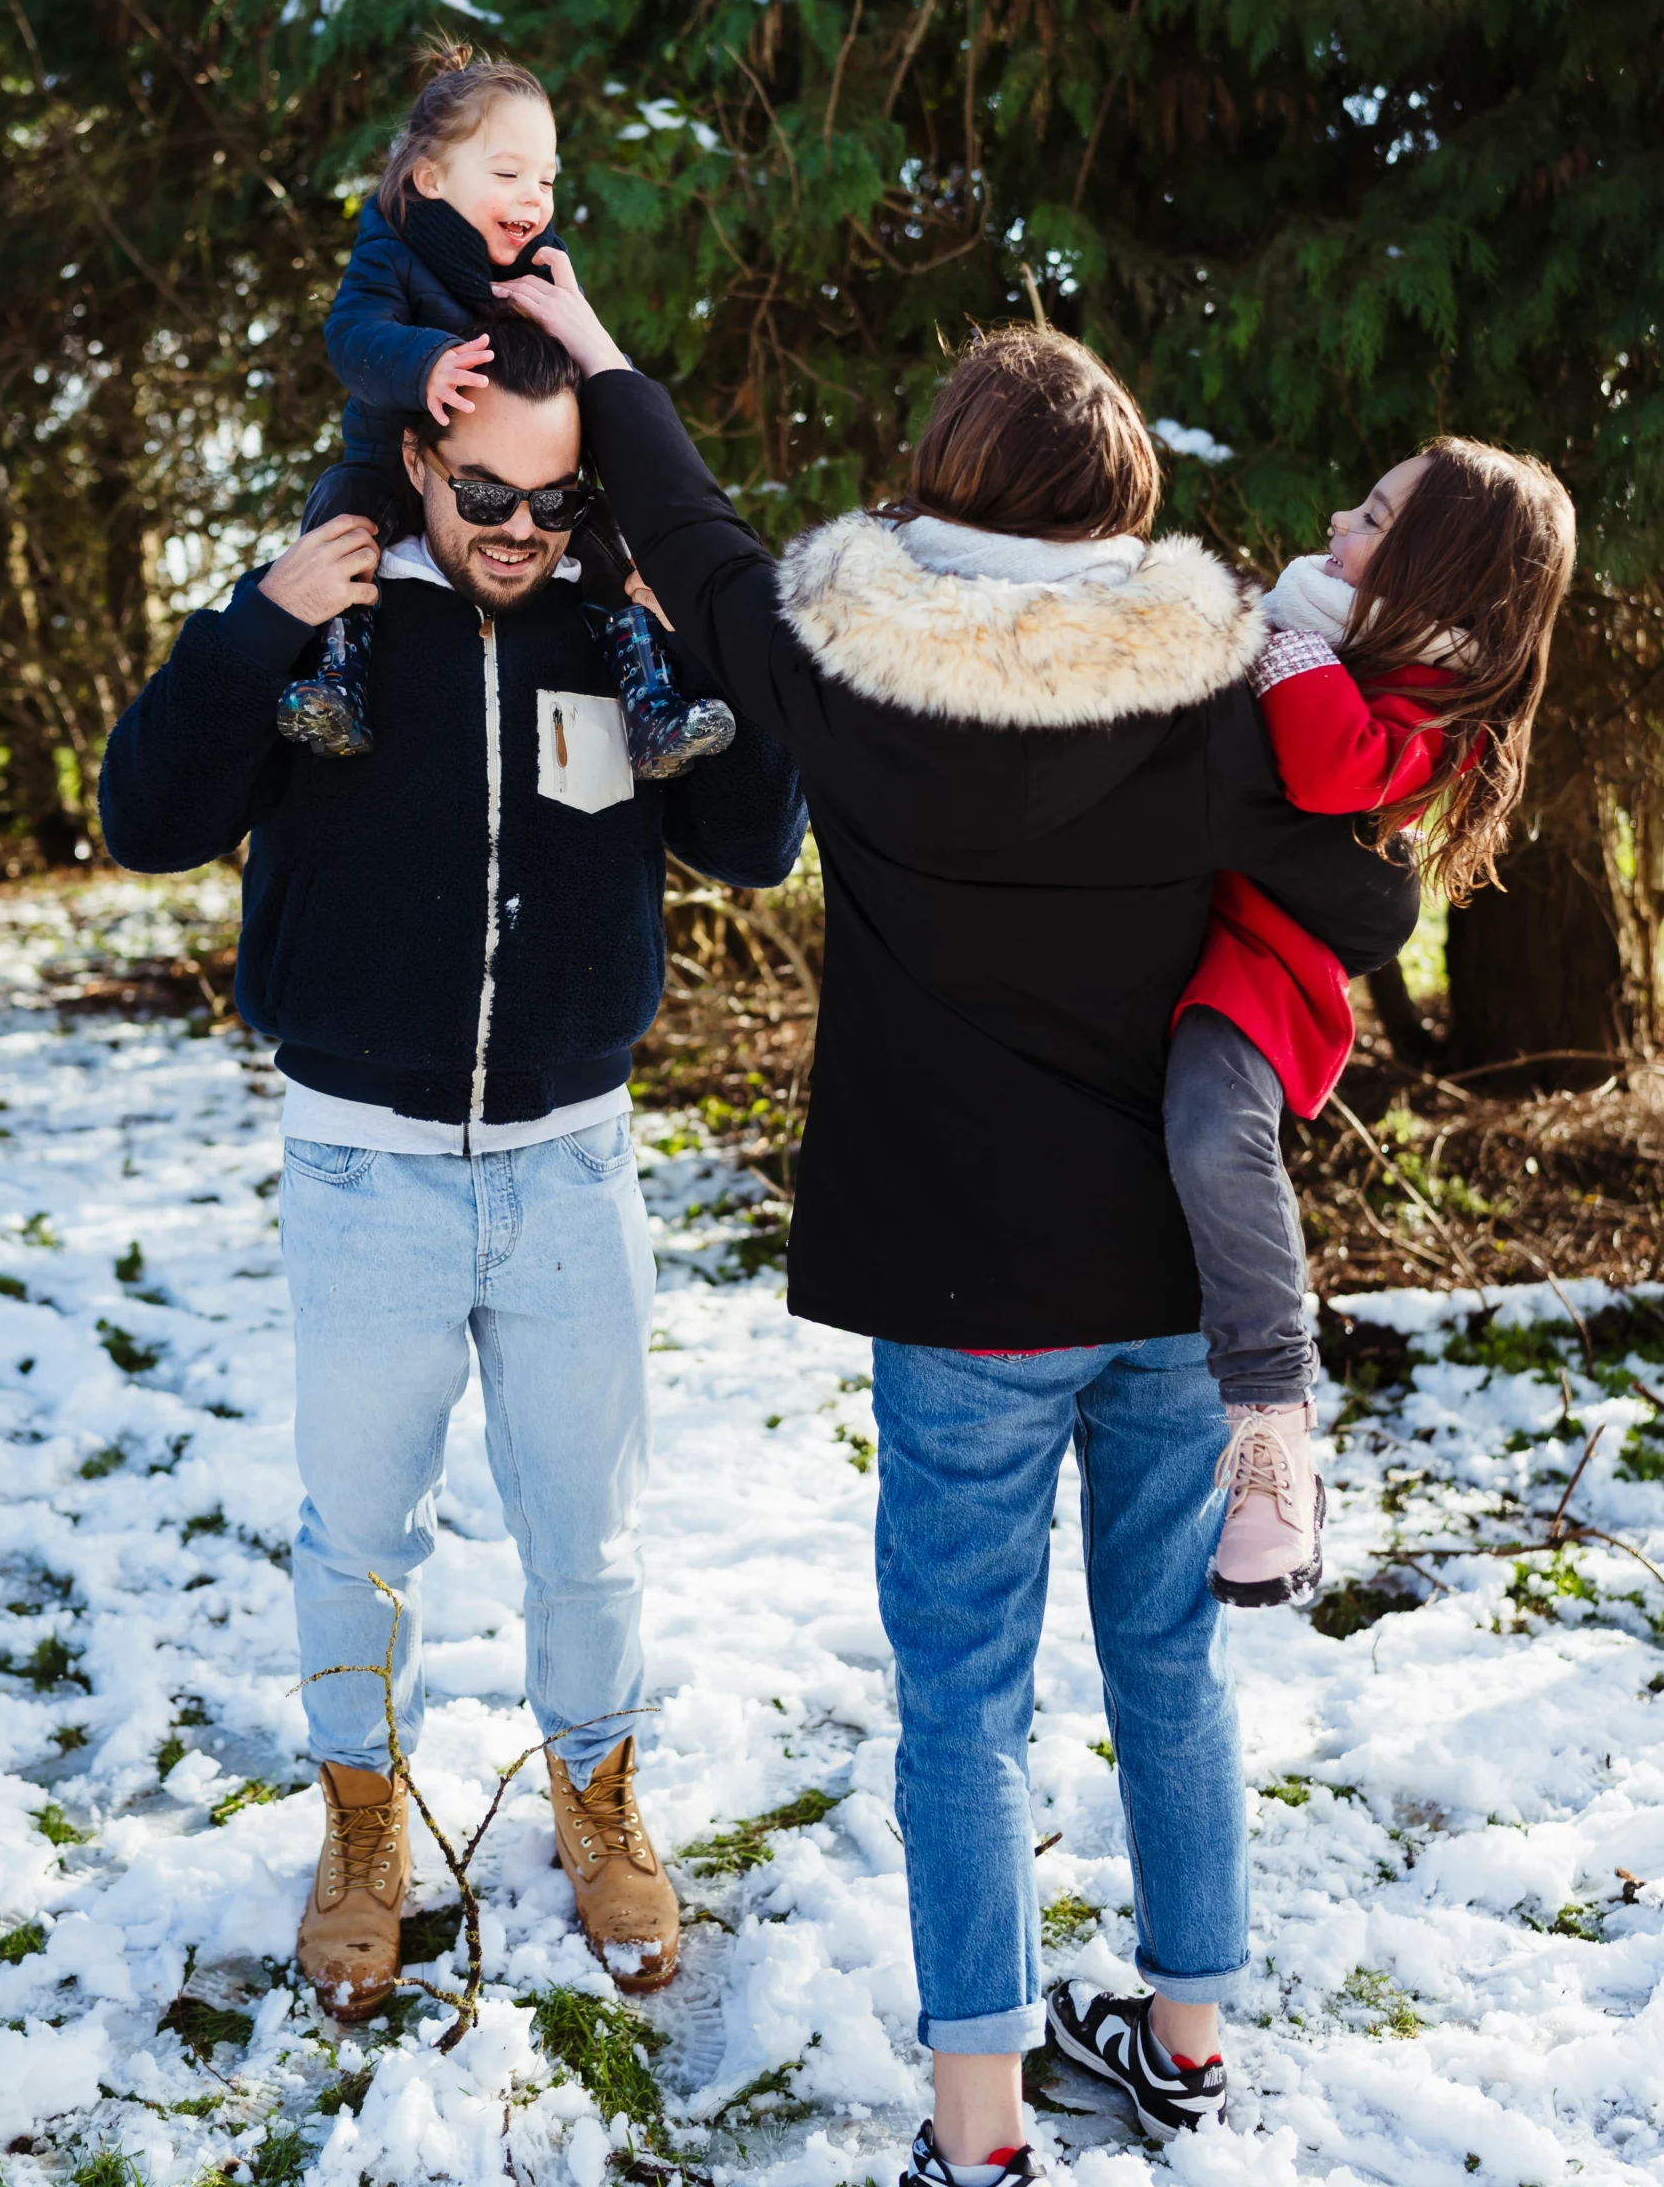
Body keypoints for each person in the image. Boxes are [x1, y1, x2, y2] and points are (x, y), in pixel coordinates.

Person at [507, 264, 1419, 2154]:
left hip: (958, 1299)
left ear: (936, 488)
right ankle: (1180, 2041)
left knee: (961, 1703)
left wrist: (598, 352)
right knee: (1167, 1660)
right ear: (1127, 514)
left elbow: (690, 532)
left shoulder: (848, 680)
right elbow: (1371, 914)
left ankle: (982, 2121)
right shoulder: (1216, 709)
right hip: (1171, 1282)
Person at [98, 313, 806, 2019]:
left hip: (570, 1166)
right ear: (418, 457)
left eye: (558, 504)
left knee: (590, 1534)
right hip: (365, 1172)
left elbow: (755, 842)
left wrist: (705, 651)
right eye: (484, 491)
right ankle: (358, 1826)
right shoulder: (325, 627)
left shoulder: (603, 633)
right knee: (358, 1535)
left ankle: (598, 1800)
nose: (517, 530)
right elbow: (143, 817)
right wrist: (256, 619)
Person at [1168, 438, 1576, 1607]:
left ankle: (1273, 1418)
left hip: (1251, 970)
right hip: (1160, 927)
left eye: (1378, 515)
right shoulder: (1317, 631)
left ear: (1441, 568)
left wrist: (1288, 643)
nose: (1341, 518)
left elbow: (1328, 769)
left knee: (1212, 1128)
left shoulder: (1434, 707)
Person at [278, 43, 732, 778]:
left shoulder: (537, 263)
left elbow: (576, 381)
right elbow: (351, 336)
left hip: (524, 470)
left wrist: (581, 330)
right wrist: (421, 360)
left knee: (610, 546)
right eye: (508, 175)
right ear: (431, 179)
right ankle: (337, 675)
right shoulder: (390, 248)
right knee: (339, 521)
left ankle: (652, 703)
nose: (534, 198)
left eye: (547, 179)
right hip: (389, 461)